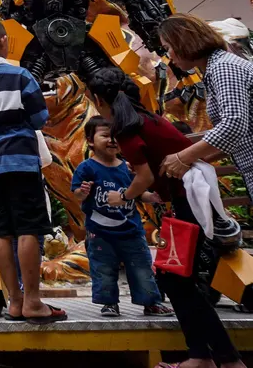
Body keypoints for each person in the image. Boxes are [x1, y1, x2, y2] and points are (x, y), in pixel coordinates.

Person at [87, 66, 246, 368]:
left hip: (191, 202)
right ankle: (201, 356)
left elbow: (143, 176)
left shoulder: (127, 127)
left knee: (177, 280)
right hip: (188, 201)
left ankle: (225, 359)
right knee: (172, 279)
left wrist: (123, 196)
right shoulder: (142, 118)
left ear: (97, 99)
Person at [0, 18, 64, 323]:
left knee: (1, 229)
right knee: (29, 228)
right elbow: (39, 118)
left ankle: (14, 301)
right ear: (4, 41)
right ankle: (33, 301)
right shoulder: (20, 75)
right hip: (20, 158)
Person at [70, 116, 173, 317]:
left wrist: (150, 196)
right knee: (103, 269)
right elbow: (76, 193)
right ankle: (109, 303)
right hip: (99, 232)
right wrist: (82, 191)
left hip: (130, 230)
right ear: (90, 141)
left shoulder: (127, 167)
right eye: (105, 135)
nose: (112, 140)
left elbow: (136, 192)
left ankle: (151, 302)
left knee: (142, 267)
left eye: (116, 136)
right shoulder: (87, 168)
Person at [157, 14, 253, 197]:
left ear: (183, 42)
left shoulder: (223, 67)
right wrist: (199, 159)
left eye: (167, 48)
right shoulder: (216, 67)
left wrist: (183, 157)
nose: (168, 57)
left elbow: (234, 123)